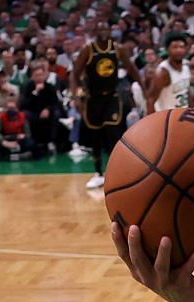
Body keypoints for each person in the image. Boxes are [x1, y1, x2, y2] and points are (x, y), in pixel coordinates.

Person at [74, 29, 125, 188]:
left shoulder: (117, 48)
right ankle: (98, 173)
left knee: (113, 133)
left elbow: (132, 68)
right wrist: (76, 94)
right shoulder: (88, 50)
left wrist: (144, 88)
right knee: (95, 135)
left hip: (111, 97)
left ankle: (118, 173)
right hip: (93, 98)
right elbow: (75, 74)